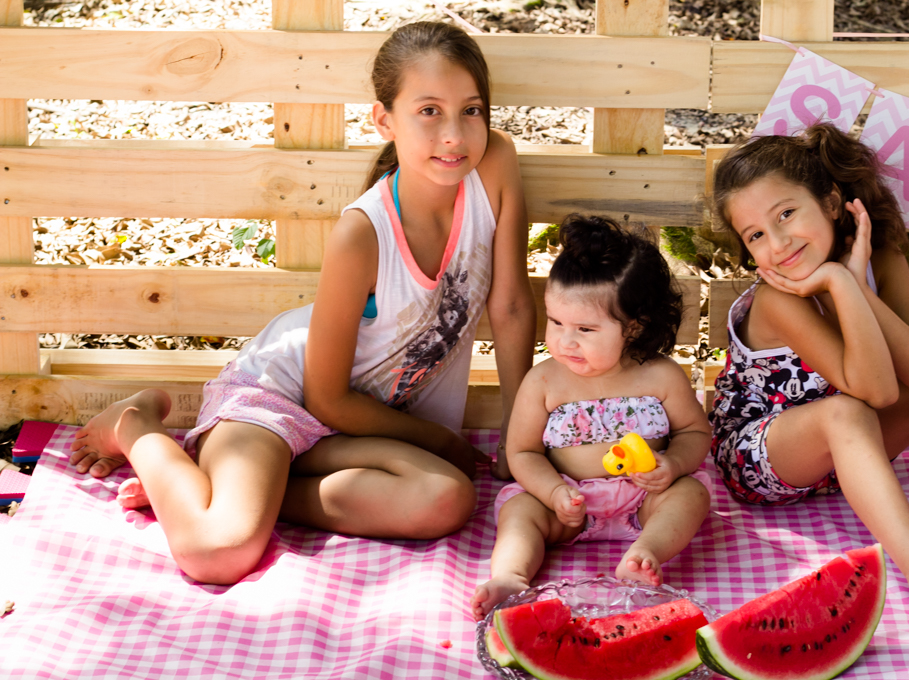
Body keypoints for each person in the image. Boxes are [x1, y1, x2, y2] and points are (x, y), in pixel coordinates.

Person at [68, 21, 536, 585]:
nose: (456, 135)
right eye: (429, 111)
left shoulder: (495, 167)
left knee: (446, 499)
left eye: (472, 110)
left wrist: (518, 433)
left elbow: (509, 305)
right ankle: (137, 427)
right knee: (220, 552)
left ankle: (232, 492)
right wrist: (440, 440)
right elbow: (326, 395)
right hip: (283, 399)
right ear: (384, 120)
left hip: (361, 430)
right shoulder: (362, 234)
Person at [709, 123, 909, 649]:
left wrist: (853, 282)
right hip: (765, 455)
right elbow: (873, 393)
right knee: (845, 412)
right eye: (756, 235)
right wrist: (835, 282)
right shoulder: (779, 297)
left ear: (832, 203)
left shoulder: (879, 257)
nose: (778, 243)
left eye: (786, 214)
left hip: (853, 454)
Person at [470, 214, 711, 621]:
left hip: (643, 498)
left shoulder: (661, 376)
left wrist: (672, 464)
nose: (565, 341)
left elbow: (694, 431)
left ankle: (645, 552)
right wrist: (552, 494)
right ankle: (511, 575)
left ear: (634, 328)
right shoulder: (544, 381)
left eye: (585, 328)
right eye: (556, 321)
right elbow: (523, 452)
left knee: (692, 495)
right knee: (519, 512)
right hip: (566, 503)